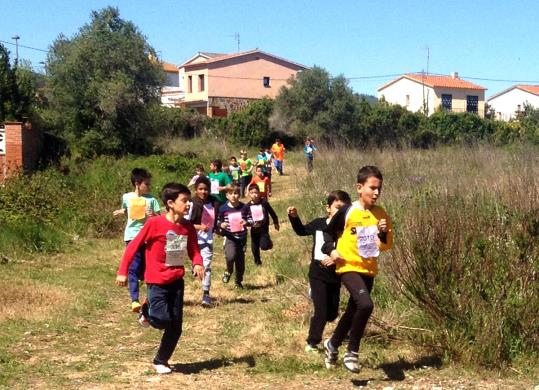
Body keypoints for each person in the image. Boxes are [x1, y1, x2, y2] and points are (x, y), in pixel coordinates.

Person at [116, 183, 204, 375]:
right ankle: (146, 310)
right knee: (162, 319)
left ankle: (160, 360)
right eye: (184, 201)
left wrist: (198, 263)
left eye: (189, 200)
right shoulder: (154, 223)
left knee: (176, 326)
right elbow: (133, 247)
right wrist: (122, 271)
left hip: (176, 281)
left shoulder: (187, 226)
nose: (188, 204)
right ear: (171, 203)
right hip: (156, 281)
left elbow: (194, 250)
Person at [321, 166, 393, 373]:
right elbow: (327, 233)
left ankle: (332, 344)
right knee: (366, 305)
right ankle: (352, 352)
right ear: (359, 188)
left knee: (355, 309)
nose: (377, 193)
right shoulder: (347, 211)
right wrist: (331, 251)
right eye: (372, 188)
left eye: (379, 188)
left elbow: (386, 246)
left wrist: (382, 233)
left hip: (368, 268)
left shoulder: (381, 215)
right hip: (348, 265)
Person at [287, 190, 351, 353]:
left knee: (332, 314)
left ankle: (316, 296)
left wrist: (337, 258)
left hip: (336, 273)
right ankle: (312, 342)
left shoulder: (347, 228)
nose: (341, 212)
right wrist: (294, 217)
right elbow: (301, 230)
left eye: (345, 209)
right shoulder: (319, 223)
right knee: (321, 312)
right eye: (337, 207)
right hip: (317, 272)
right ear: (328, 208)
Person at [112, 168, 161, 313]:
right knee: (133, 268)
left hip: (149, 238)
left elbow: (160, 218)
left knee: (146, 270)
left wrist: (152, 215)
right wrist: (122, 211)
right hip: (132, 236)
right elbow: (127, 210)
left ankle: (148, 298)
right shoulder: (127, 197)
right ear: (137, 183)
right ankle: (134, 300)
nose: (149, 186)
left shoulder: (152, 200)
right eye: (147, 184)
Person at [185, 176, 219, 307]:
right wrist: (198, 227)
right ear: (196, 190)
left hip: (207, 239)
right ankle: (194, 266)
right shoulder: (191, 203)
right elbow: (185, 223)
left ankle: (206, 294)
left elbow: (220, 216)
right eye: (200, 189)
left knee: (207, 266)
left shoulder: (214, 202)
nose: (203, 192)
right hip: (192, 240)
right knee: (196, 264)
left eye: (206, 189)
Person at [217, 184, 248, 289]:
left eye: (235, 193)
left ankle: (238, 282)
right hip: (229, 237)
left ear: (239, 194)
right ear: (227, 195)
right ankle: (229, 270)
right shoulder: (223, 208)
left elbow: (250, 219)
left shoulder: (244, 207)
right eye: (231, 193)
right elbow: (217, 220)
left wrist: (247, 222)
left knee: (240, 263)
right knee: (230, 256)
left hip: (242, 237)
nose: (233, 196)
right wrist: (221, 224)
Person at [243, 184, 279, 266]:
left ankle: (268, 242)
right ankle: (257, 261)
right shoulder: (247, 206)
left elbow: (272, 213)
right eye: (252, 193)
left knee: (264, 246)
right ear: (249, 194)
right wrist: (245, 223)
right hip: (254, 229)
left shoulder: (264, 202)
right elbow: (243, 216)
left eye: (256, 192)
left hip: (263, 228)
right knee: (254, 247)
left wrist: (276, 222)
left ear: (259, 193)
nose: (254, 195)